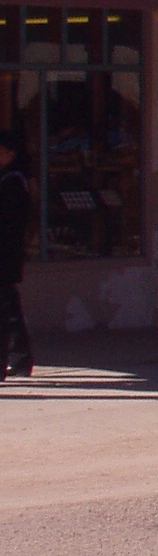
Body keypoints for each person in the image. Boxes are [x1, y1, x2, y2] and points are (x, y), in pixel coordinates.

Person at [0, 131, 33, 378]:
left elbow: (10, 221)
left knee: (5, 308)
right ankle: (21, 356)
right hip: (6, 254)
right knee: (10, 307)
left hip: (5, 254)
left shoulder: (13, 181)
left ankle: (12, 358)